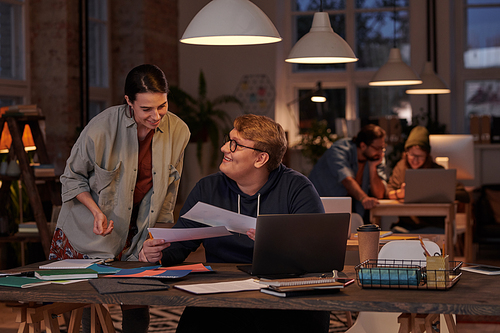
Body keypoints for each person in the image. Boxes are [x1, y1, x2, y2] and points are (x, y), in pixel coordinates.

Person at [142, 114, 330, 333]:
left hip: (282, 292)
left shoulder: (297, 188)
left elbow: (318, 256)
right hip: (222, 293)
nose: (224, 148)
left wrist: (276, 244)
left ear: (260, 159)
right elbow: (179, 246)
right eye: (227, 140)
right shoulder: (207, 189)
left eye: (235, 145)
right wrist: (157, 252)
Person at [48, 64, 190, 333]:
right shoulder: (101, 128)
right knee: (90, 311)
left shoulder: (179, 131)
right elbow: (71, 178)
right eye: (146, 109)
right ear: (129, 102)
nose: (156, 115)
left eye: (161, 106)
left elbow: (170, 192)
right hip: (90, 230)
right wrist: (96, 212)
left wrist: (159, 236)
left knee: (137, 302)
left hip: (138, 231)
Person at [386, 126, 468, 233]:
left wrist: (437, 193)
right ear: (406, 153)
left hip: (433, 226)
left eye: (420, 156)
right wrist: (400, 193)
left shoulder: (436, 171)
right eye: (412, 155)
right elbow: (388, 192)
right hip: (406, 226)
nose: (415, 160)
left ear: (427, 156)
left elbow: (464, 195)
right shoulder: (401, 167)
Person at [308, 124, 387, 221]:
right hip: (323, 203)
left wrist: (372, 168)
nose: (380, 152)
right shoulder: (339, 150)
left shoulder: (375, 158)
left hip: (352, 205)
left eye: (382, 148)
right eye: (377, 148)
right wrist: (364, 198)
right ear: (363, 145)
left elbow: (379, 194)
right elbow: (346, 179)